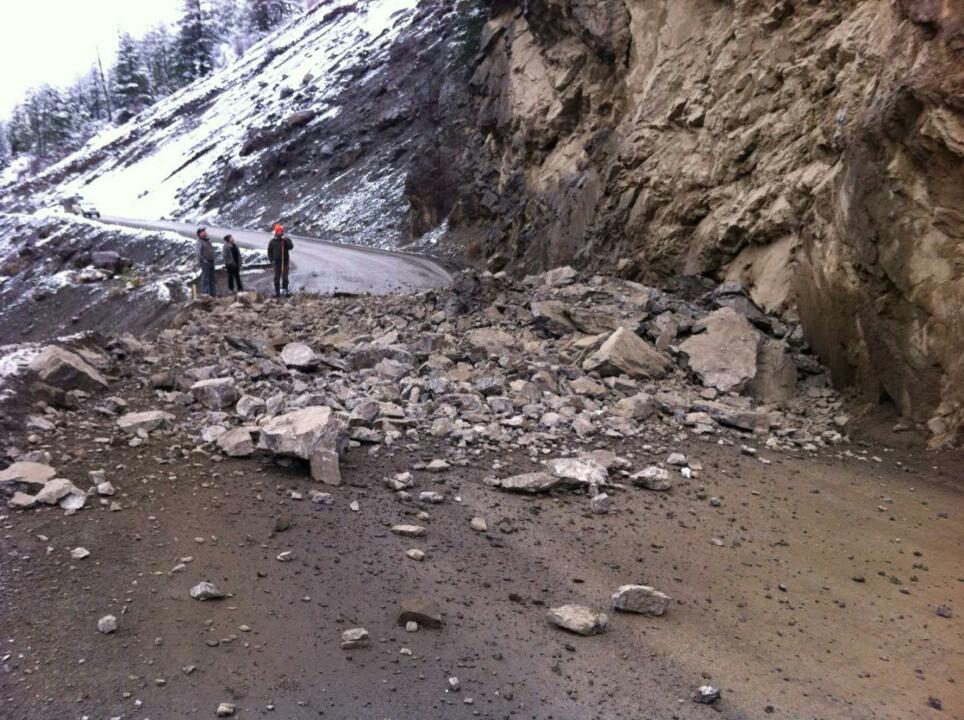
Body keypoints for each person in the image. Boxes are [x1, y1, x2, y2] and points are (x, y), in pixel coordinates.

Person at [267, 224, 293, 298]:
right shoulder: (272, 242)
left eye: (280, 231)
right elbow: (269, 251)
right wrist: (272, 260)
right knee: (276, 278)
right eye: (278, 231)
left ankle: (285, 291)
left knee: (285, 277)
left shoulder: (285, 240)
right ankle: (277, 292)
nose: (279, 232)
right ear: (275, 232)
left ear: (282, 231)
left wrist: (286, 240)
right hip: (276, 262)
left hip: (285, 262)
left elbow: (291, 247)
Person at [196, 227, 216, 296]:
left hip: (211, 261)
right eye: (202, 231)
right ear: (199, 234)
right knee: (206, 278)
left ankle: (213, 293)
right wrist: (204, 260)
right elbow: (198, 253)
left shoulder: (207, 241)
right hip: (205, 262)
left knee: (212, 278)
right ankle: (205, 293)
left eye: (205, 231)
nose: (204, 232)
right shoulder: (199, 242)